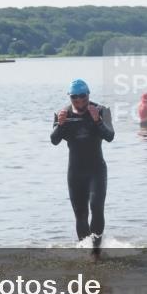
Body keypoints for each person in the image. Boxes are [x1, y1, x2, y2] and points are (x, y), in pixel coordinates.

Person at [50, 79, 114, 255]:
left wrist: (97, 120)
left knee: (96, 208)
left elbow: (110, 136)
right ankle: (86, 253)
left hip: (96, 171)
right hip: (75, 173)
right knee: (80, 214)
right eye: (74, 97)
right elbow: (54, 140)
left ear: (88, 95)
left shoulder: (101, 110)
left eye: (82, 96)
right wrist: (60, 125)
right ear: (70, 97)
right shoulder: (62, 114)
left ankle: (96, 252)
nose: (79, 100)